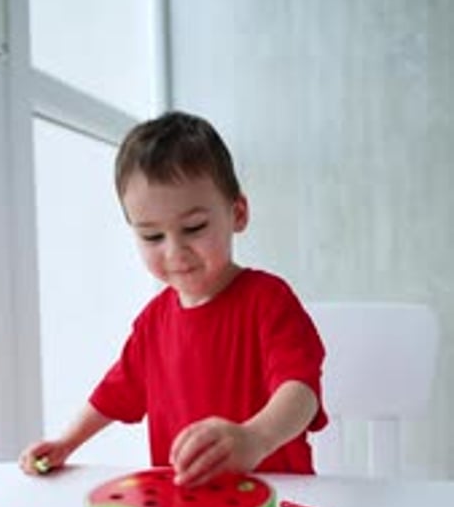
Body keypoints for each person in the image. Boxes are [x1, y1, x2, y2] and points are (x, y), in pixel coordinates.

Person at [19, 111, 327, 486]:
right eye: (152, 237)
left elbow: (301, 391)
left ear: (238, 213)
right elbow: (113, 394)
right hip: (188, 505)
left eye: (194, 228)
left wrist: (254, 438)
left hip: (280, 502)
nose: (174, 251)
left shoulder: (269, 300)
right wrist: (67, 442)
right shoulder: (152, 322)